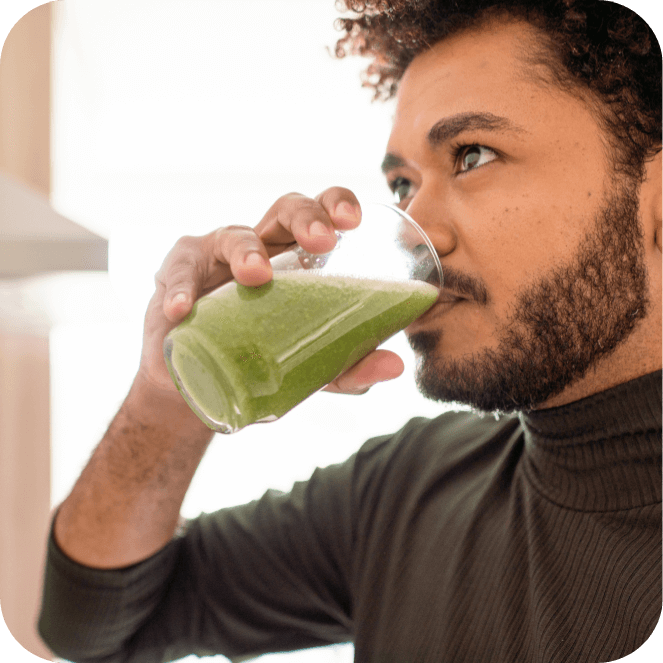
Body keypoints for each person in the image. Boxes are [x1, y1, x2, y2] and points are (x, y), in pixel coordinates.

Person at [39, 1, 662, 662]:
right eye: (401, 183)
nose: (410, 227)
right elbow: (96, 627)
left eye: (472, 155)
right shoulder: (410, 488)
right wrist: (167, 394)